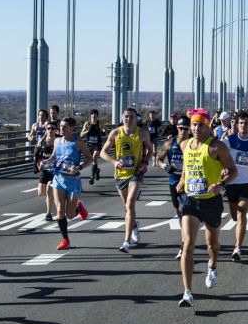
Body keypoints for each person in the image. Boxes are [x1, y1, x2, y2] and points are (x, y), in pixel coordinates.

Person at [176, 109, 237, 308]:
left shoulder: (216, 147)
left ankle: (212, 265)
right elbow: (186, 165)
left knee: (212, 245)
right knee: (187, 245)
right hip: (190, 201)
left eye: (200, 125)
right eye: (193, 125)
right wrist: (182, 180)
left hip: (211, 201)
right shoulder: (185, 145)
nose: (195, 128)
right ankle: (187, 292)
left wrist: (221, 184)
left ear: (208, 126)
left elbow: (233, 171)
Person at [100, 108, 152, 253]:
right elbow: (103, 152)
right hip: (120, 174)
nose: (128, 119)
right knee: (127, 207)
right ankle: (134, 225)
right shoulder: (116, 133)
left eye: (131, 117)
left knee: (130, 204)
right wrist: (115, 162)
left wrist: (145, 162)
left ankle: (126, 241)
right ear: (122, 118)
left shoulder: (142, 133)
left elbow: (150, 150)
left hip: (136, 173)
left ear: (136, 119)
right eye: (126, 117)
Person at [42, 117, 92, 250]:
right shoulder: (57, 141)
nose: (62, 129)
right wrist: (47, 161)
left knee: (70, 215)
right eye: (61, 126)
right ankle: (65, 239)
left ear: (72, 129)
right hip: (58, 178)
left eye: (65, 127)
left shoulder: (78, 143)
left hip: (73, 181)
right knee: (59, 211)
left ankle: (78, 208)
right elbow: (54, 156)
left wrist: (79, 167)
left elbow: (90, 158)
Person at [223, 111, 248, 261]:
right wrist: (222, 168)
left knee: (241, 213)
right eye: (241, 123)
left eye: (246, 123)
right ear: (237, 124)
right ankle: (238, 245)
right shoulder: (229, 140)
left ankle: (237, 248)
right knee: (234, 216)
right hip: (231, 182)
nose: (243, 126)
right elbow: (220, 155)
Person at [158, 116, 191, 259]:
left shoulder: (193, 144)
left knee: (186, 215)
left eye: (185, 129)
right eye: (180, 128)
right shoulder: (170, 143)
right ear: (177, 128)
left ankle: (184, 246)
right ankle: (187, 238)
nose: (183, 131)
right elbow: (159, 159)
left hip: (189, 183)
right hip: (173, 181)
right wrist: (166, 166)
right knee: (178, 212)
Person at [80, 110, 105, 185]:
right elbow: (81, 135)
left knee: (94, 157)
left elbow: (105, 130)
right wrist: (87, 131)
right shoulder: (87, 124)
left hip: (97, 144)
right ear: (90, 116)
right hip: (89, 144)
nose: (94, 116)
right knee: (92, 160)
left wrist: (103, 131)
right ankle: (96, 170)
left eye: (95, 115)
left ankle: (92, 177)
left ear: (97, 116)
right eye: (92, 115)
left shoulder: (99, 123)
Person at [28, 109, 51, 174]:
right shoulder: (35, 125)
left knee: (44, 158)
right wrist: (31, 138)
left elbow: (47, 132)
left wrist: (42, 139)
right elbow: (30, 135)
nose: (41, 116)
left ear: (46, 117)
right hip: (38, 144)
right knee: (36, 156)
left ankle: (45, 170)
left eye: (43, 115)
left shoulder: (47, 124)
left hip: (46, 144)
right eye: (40, 115)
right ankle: (37, 168)